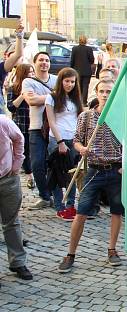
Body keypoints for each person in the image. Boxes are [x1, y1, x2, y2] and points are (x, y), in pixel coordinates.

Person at [56, 80, 124, 273]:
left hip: (115, 169)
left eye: (109, 91)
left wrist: (124, 166)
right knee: (82, 212)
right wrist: (81, 149)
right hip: (93, 170)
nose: (104, 94)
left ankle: (112, 249)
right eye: (101, 91)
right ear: (96, 92)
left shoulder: (120, 117)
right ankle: (70, 254)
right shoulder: (86, 116)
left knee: (116, 211)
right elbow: (76, 140)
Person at [45, 67, 83, 221]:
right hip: (57, 138)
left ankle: (70, 205)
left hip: (72, 138)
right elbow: (51, 121)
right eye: (67, 81)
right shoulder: (52, 98)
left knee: (71, 174)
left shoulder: (76, 98)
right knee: (56, 172)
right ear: (61, 81)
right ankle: (59, 207)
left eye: (72, 82)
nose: (69, 84)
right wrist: (60, 141)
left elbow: (79, 119)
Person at [23, 52, 58, 210]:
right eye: (41, 60)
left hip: (55, 128)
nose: (44, 63)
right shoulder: (28, 81)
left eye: (47, 60)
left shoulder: (57, 79)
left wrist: (41, 97)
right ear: (34, 62)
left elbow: (64, 98)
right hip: (36, 127)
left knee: (55, 164)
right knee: (36, 163)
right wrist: (53, 96)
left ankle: (55, 195)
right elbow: (31, 101)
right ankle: (45, 196)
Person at [0, 118, 32, 283]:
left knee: (11, 222)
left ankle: (18, 262)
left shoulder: (3, 122)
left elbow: (19, 138)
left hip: (7, 178)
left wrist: (17, 163)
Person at [7, 63, 33, 189]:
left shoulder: (36, 87)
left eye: (33, 72)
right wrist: (23, 95)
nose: (32, 75)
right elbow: (11, 107)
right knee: (25, 152)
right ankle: (30, 177)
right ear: (23, 74)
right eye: (30, 72)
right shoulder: (14, 88)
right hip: (21, 125)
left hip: (36, 125)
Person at [69, 35, 94, 106]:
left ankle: (77, 101)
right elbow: (92, 60)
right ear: (86, 40)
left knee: (78, 86)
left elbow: (72, 60)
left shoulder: (74, 49)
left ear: (79, 40)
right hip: (87, 71)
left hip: (77, 71)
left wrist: (71, 69)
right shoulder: (89, 49)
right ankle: (84, 102)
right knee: (85, 86)